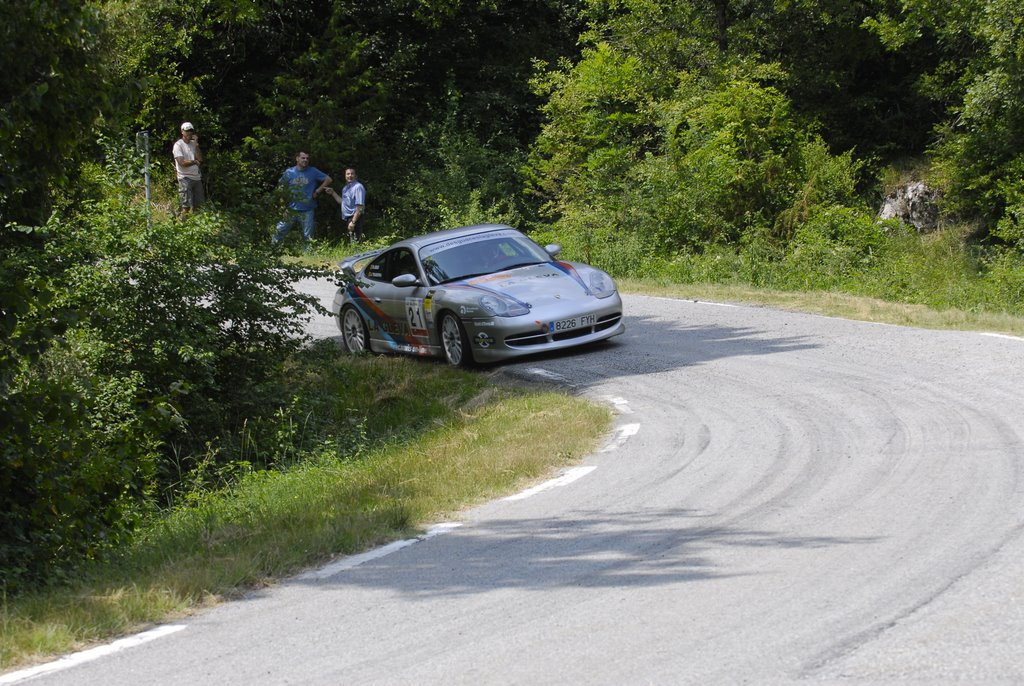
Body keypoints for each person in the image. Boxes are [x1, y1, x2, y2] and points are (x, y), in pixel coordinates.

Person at [274, 151, 332, 247]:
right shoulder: (289, 172)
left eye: (307, 158)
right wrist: (283, 206)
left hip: (308, 209)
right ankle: (272, 249)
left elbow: (328, 179)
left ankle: (308, 254)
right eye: (303, 158)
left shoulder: (313, 171)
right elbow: (281, 188)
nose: (305, 160)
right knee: (280, 230)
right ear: (297, 159)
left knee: (308, 236)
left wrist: (317, 191)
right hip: (291, 209)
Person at [324, 167, 366, 242]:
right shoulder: (345, 188)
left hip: (355, 218)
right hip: (347, 218)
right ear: (345, 176)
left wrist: (353, 222)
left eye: (352, 174)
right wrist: (333, 193)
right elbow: (342, 202)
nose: (350, 176)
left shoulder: (358, 187)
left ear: (356, 176)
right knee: (351, 241)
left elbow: (360, 207)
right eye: (348, 174)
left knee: (357, 242)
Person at [173, 122, 204, 213]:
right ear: (182, 132)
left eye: (191, 131)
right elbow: (181, 162)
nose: (189, 133)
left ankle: (196, 221)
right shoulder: (178, 145)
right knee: (185, 207)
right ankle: (181, 221)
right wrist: (194, 161)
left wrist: (196, 144)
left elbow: (200, 159)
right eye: (187, 131)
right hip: (185, 178)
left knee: (199, 206)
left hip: (196, 178)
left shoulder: (194, 144)